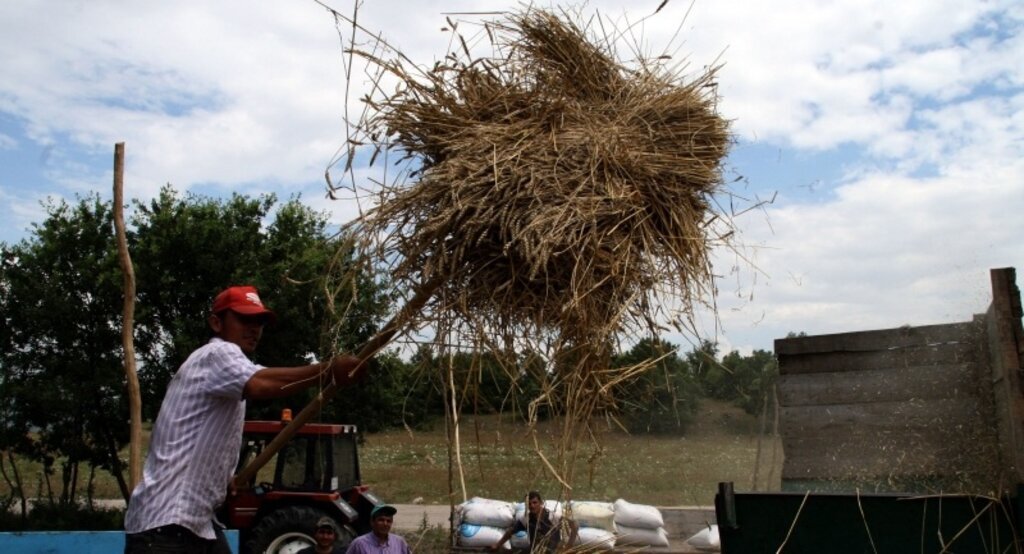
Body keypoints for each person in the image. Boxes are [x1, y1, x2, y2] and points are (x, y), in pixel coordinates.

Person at [124, 285, 366, 554]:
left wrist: (224, 478)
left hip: (194, 523)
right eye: (245, 319)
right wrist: (328, 371)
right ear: (216, 322)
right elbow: (261, 384)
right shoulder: (217, 353)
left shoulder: (229, 369)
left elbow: (259, 379)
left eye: (260, 321)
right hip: (167, 527)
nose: (255, 328)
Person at [492, 491, 577, 553]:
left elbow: (574, 525)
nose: (532, 506)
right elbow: (510, 531)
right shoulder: (526, 520)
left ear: (541, 503)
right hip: (535, 550)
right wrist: (498, 544)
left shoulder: (553, 516)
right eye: (529, 504)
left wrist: (568, 546)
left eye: (535, 503)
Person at [345, 504, 411, 554]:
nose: (385, 524)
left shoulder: (399, 542)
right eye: (381, 520)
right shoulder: (359, 544)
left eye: (389, 521)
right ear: (372, 522)